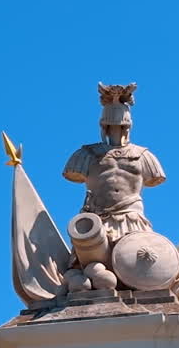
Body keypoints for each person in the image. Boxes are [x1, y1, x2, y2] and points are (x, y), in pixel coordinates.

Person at [63, 83, 166, 243]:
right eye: (110, 126)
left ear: (128, 126)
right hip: (97, 218)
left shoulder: (144, 156)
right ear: (104, 126)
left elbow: (155, 177)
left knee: (141, 253)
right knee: (87, 256)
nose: (115, 129)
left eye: (120, 126)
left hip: (133, 217)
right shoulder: (87, 154)